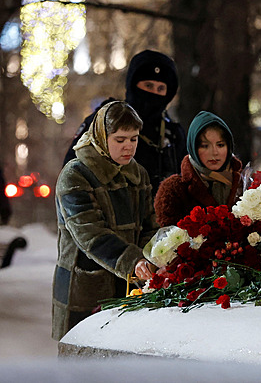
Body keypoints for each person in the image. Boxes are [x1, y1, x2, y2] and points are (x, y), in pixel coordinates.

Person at [52, 101, 160, 341]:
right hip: (85, 287)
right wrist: (135, 261)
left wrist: (155, 256)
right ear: (102, 136)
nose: (128, 147)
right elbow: (91, 235)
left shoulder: (137, 173)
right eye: (120, 140)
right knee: (84, 364)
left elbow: (148, 226)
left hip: (131, 284)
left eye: (133, 139)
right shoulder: (76, 175)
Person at [63, 50, 186, 196]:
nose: (154, 93)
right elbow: (72, 174)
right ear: (134, 85)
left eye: (160, 89)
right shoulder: (105, 120)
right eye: (148, 85)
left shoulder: (171, 134)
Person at [154, 111, 243, 227]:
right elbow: (167, 238)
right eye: (205, 146)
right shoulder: (174, 189)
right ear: (193, 148)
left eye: (220, 145)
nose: (214, 153)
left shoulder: (244, 184)